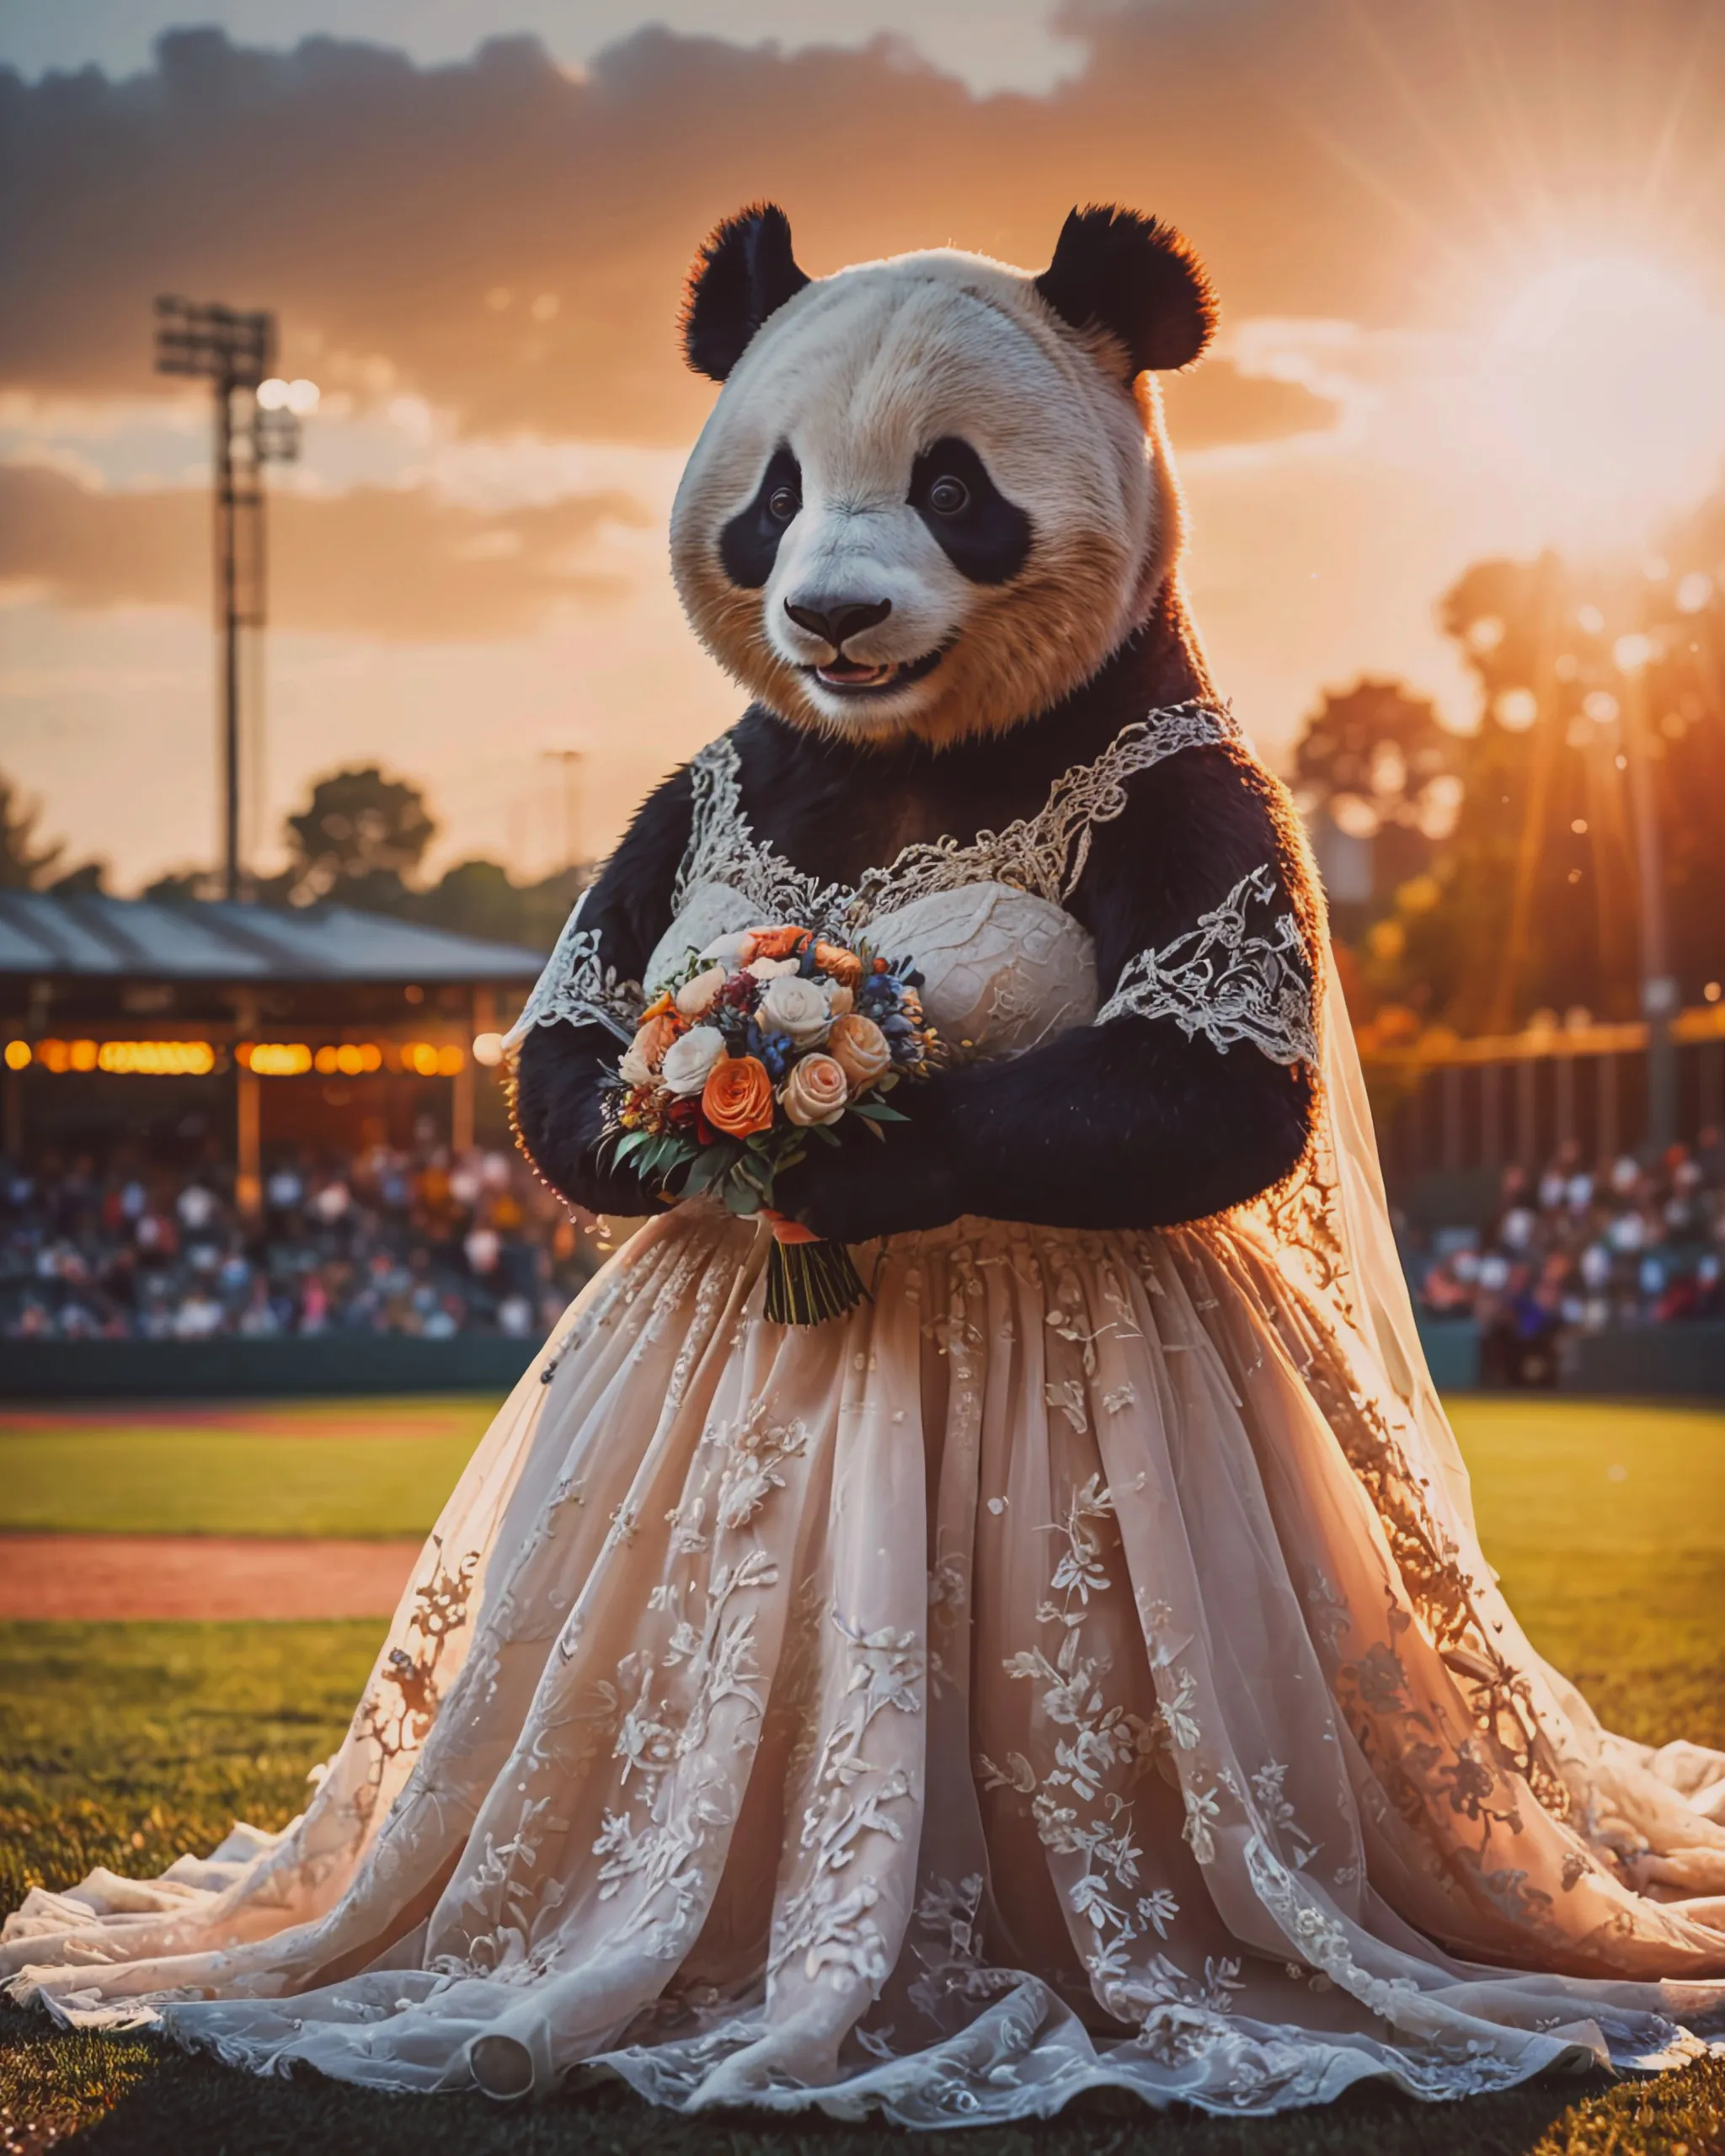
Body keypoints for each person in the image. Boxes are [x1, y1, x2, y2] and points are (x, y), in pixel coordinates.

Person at [5, 204, 1723, 2127]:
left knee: (1076, 1778)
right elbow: (561, 1054)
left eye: (949, 494)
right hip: (729, 1362)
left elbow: (1234, 1094)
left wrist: (916, 1144)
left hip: (1090, 1395)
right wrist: (671, 1128)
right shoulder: (718, 784)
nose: (830, 570)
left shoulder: (1171, 778)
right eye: (790, 500)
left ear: (1109, 414)